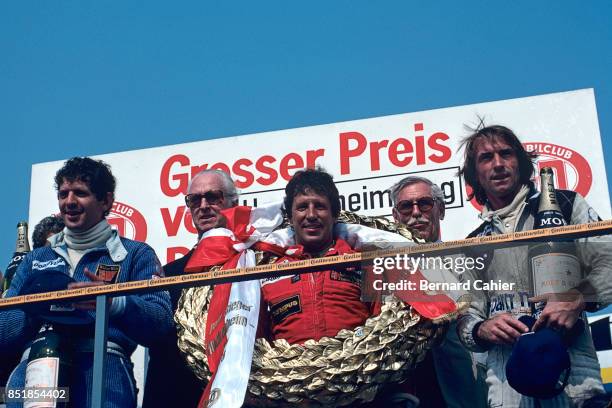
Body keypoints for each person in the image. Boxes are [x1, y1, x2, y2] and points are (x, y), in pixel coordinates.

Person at [0, 156, 173, 408]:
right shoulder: (36, 259)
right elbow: (3, 332)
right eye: (63, 194)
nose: (69, 202)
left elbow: (161, 323)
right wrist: (37, 307)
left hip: (104, 377)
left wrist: (113, 302)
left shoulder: (135, 254)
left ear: (106, 201)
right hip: (32, 376)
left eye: (80, 193)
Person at [456, 124, 610, 407]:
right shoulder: (472, 244)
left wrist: (577, 297)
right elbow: (466, 315)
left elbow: (609, 262)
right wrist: (481, 329)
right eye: (486, 158)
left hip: (575, 383)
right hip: (507, 390)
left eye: (506, 154)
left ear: (522, 163)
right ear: (474, 174)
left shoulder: (565, 205)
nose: (499, 164)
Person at [143, 169, 239, 408]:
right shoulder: (168, 274)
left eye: (213, 197)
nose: (203, 206)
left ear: (233, 203)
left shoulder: (254, 263)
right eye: (194, 200)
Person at [390, 175, 487, 408]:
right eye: (405, 207)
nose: (415, 213)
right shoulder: (382, 270)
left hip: (463, 391)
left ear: (440, 210)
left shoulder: (467, 260)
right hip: (405, 394)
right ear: (395, 217)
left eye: (424, 203)